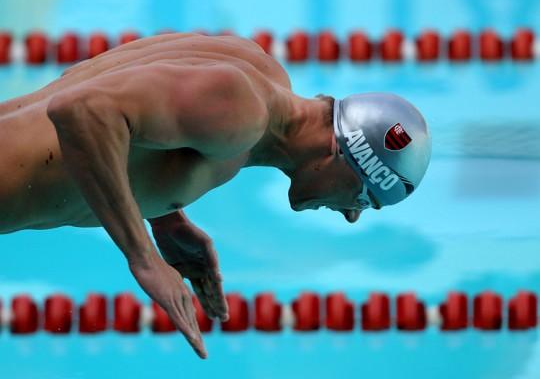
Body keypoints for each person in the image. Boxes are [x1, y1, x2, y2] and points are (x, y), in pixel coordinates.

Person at [0, 33, 431, 357]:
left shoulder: (253, 68)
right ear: (341, 156)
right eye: (363, 200)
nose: (350, 217)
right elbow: (81, 112)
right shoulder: (242, 112)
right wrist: (143, 255)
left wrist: (164, 215)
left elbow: (120, 97)